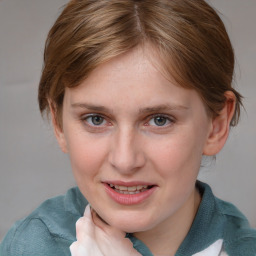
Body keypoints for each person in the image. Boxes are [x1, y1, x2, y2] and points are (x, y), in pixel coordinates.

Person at [1, 0, 256, 255]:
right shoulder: (30, 247)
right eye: (96, 119)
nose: (125, 161)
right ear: (58, 122)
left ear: (216, 124)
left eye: (159, 120)